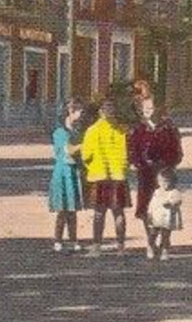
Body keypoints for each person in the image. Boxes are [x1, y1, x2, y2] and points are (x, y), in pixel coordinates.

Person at [128, 90, 183, 260]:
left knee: (167, 208)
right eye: (146, 108)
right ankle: (150, 242)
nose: (149, 111)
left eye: (151, 108)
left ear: (157, 109)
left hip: (164, 175)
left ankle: (165, 243)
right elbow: (132, 151)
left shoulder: (168, 128)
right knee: (147, 209)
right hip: (146, 174)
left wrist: (168, 165)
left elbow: (177, 151)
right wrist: (139, 163)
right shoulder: (139, 129)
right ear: (141, 110)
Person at [81, 97, 130, 253]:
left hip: (98, 175)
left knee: (99, 213)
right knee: (118, 212)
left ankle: (96, 247)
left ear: (100, 113)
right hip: (118, 176)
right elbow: (129, 153)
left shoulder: (92, 131)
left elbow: (85, 155)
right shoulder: (123, 130)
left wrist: (90, 166)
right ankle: (121, 247)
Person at [49, 99, 85, 253]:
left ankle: (73, 239)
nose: (81, 116)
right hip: (62, 172)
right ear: (70, 112)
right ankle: (58, 240)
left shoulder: (76, 132)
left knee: (73, 209)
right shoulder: (60, 132)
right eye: (79, 112)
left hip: (73, 172)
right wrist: (84, 145)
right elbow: (67, 151)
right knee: (62, 209)